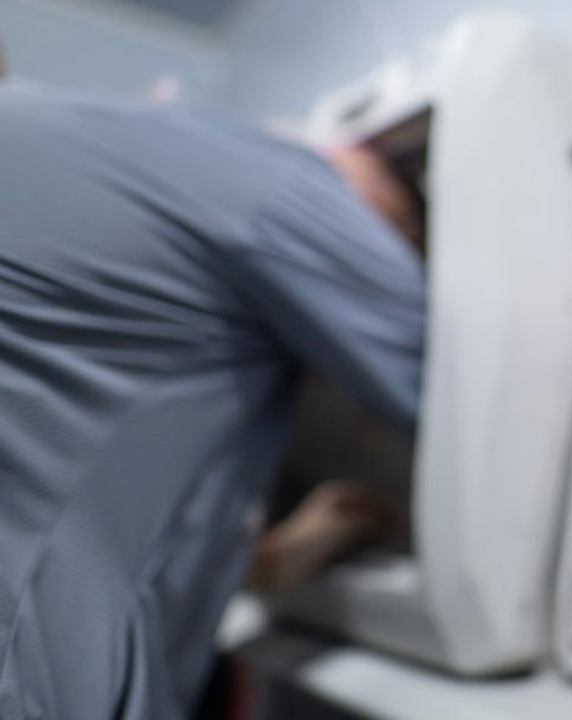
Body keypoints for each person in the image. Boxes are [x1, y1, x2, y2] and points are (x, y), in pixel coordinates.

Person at [0, 58, 427, 719]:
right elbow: (462, 399)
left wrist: (279, 559)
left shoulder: (67, 149)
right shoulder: (291, 184)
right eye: (402, 242)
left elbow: (77, 485)